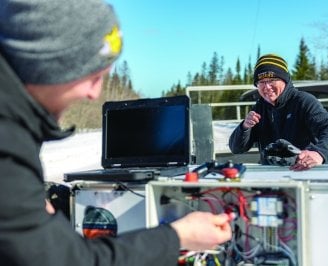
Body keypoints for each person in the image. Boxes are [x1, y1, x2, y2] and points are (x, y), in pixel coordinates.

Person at [0, 1, 232, 265]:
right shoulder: (7, 146)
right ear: (51, 66)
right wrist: (178, 236)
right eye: (93, 77)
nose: (94, 94)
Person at [229, 54, 328, 171]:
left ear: (284, 80)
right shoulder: (259, 108)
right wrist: (245, 127)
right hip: (270, 172)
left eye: (272, 80)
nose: (267, 87)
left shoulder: (303, 101)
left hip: (303, 170)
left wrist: (319, 153)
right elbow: (236, 148)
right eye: (261, 82)